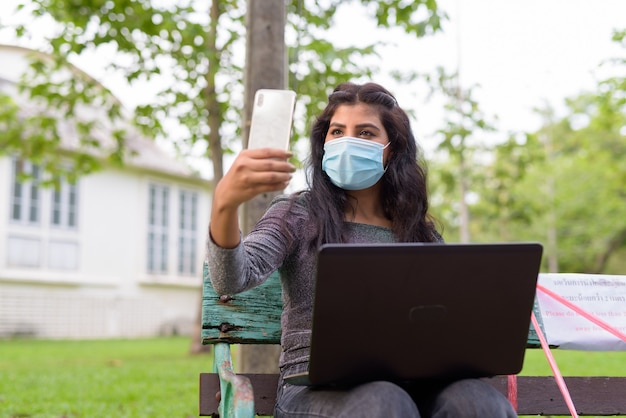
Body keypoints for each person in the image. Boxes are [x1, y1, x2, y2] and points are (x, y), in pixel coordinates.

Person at [207, 82, 516, 418]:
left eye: (366, 133)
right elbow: (233, 278)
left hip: (414, 385)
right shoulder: (298, 212)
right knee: (384, 401)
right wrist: (225, 204)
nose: (348, 141)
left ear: (392, 149)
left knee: (478, 402)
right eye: (337, 131)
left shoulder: (420, 234)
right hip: (313, 390)